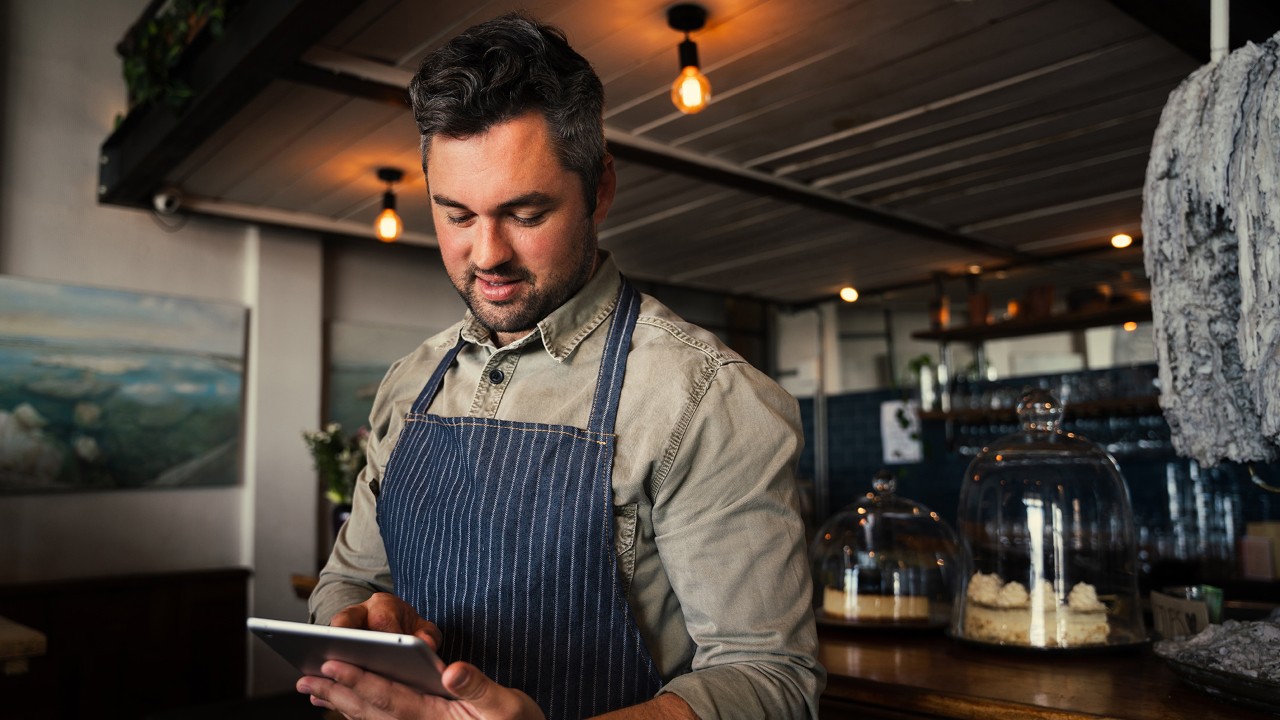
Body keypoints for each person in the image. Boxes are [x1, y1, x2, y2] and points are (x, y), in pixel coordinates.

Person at [302, 12, 823, 720]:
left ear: (599, 191)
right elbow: (345, 580)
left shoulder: (702, 395)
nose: (487, 255)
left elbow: (770, 680)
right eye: (455, 215)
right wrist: (363, 629)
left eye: (525, 213)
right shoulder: (409, 384)